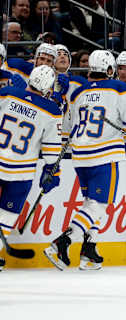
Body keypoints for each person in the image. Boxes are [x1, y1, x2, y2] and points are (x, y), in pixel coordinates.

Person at [44, 50, 126, 271]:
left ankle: (89, 251)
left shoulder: (77, 93)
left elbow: (67, 128)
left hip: (80, 156)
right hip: (105, 155)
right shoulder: (119, 88)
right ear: (110, 70)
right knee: (100, 205)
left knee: (91, 203)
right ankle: (62, 242)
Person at [0, 65, 62, 271]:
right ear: (47, 88)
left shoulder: (7, 94)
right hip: (21, 172)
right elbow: (52, 150)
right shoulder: (52, 110)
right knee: (8, 213)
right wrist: (52, 171)